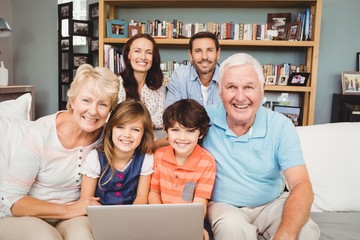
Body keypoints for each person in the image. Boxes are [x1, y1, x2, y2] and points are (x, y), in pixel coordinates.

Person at [203, 53, 320, 240]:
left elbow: (301, 184)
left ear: (262, 89)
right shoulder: (203, 118)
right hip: (224, 205)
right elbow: (174, 140)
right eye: (231, 87)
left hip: (271, 203)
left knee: (305, 231)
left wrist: (286, 235)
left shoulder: (281, 125)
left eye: (249, 87)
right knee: (231, 230)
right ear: (219, 89)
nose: (240, 97)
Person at [0, 64, 120, 240]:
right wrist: (69, 209)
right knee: (46, 238)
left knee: (82, 237)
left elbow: (141, 144)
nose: (93, 111)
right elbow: (11, 198)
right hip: (24, 216)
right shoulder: (42, 133)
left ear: (110, 109)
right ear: (72, 100)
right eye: (86, 100)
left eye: (102, 104)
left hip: (72, 217)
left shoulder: (108, 137)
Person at [148, 99, 216, 240]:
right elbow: (153, 192)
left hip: (189, 222)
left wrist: (192, 226)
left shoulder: (207, 162)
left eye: (190, 131)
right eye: (175, 130)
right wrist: (163, 219)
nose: (182, 138)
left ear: (201, 133)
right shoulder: (159, 156)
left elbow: (200, 203)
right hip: (161, 218)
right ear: (166, 131)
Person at [80, 100, 154, 205]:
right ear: (111, 129)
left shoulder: (145, 158)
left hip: (131, 216)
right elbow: (86, 201)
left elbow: (141, 197)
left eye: (135, 130)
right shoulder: (95, 158)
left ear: (144, 134)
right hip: (100, 216)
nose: (127, 135)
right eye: (120, 127)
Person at [118, 33, 166, 129]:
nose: (143, 57)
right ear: (128, 55)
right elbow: (114, 118)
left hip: (151, 139)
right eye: (137, 51)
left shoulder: (159, 86)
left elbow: (162, 119)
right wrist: (146, 124)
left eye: (149, 52)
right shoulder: (117, 84)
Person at [164, 31, 221, 108]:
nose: (204, 57)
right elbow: (170, 115)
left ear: (218, 53)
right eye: (198, 51)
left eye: (209, 50)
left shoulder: (229, 77)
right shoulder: (179, 76)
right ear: (190, 55)